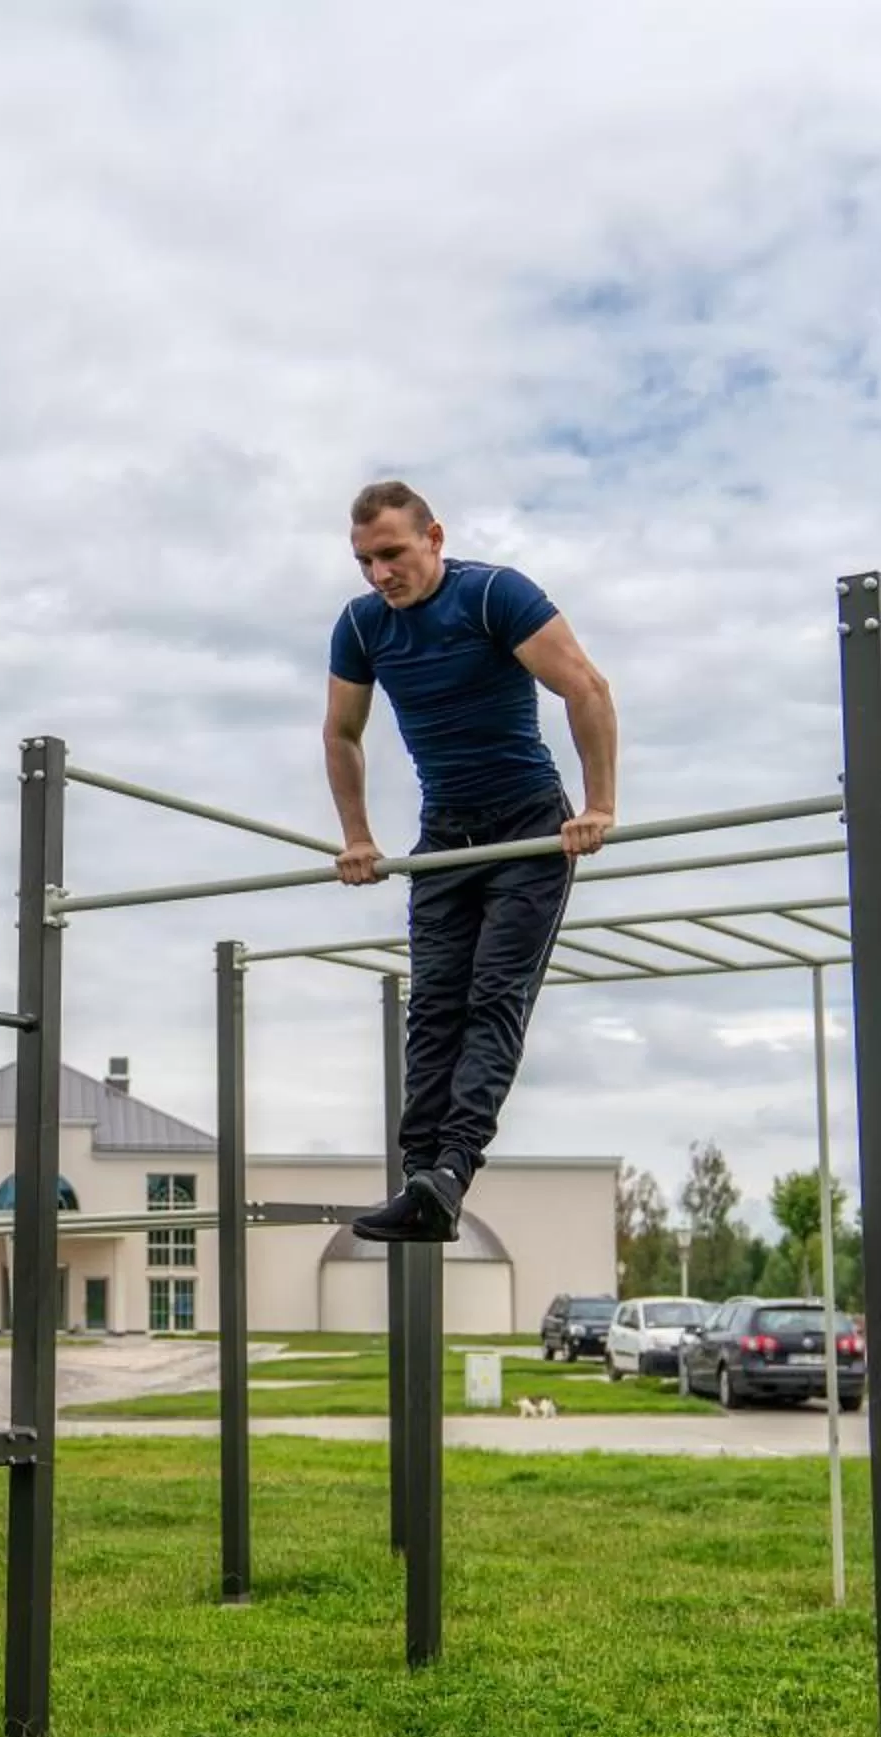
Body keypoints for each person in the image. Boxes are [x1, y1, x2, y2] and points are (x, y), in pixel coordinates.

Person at [324, 480, 618, 1242]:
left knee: (494, 996)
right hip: (444, 836)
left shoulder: (493, 597)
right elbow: (342, 733)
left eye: (390, 554)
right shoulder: (361, 626)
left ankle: (450, 1170)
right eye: (364, 561)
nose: (379, 574)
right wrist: (357, 836)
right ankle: (420, 1178)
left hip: (526, 826)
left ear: (434, 538)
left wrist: (598, 806)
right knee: (432, 1008)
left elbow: (584, 686)